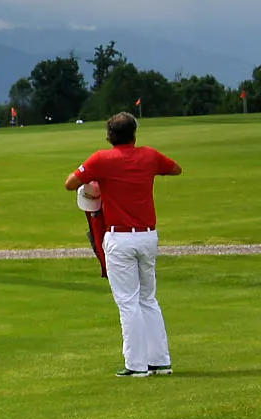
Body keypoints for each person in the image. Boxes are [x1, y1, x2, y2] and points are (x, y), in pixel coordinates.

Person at [65, 112, 182, 376]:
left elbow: (70, 183)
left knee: (128, 302)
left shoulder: (101, 159)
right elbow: (175, 169)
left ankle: (136, 365)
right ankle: (160, 360)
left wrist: (96, 180)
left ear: (109, 136)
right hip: (148, 236)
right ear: (134, 134)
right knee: (148, 299)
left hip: (120, 238)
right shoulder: (149, 155)